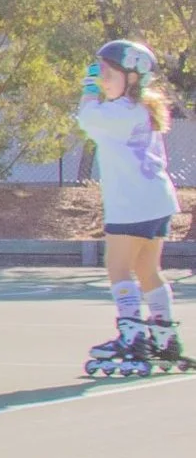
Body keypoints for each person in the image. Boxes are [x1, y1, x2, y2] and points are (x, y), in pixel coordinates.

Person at [77, 39, 185, 377]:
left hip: (131, 203)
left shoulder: (119, 113)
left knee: (118, 268)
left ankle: (132, 335)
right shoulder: (141, 110)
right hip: (157, 200)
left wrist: (88, 87)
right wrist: (99, 83)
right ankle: (165, 336)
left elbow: (86, 118)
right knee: (148, 269)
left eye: (108, 75)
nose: (102, 81)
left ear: (133, 78)